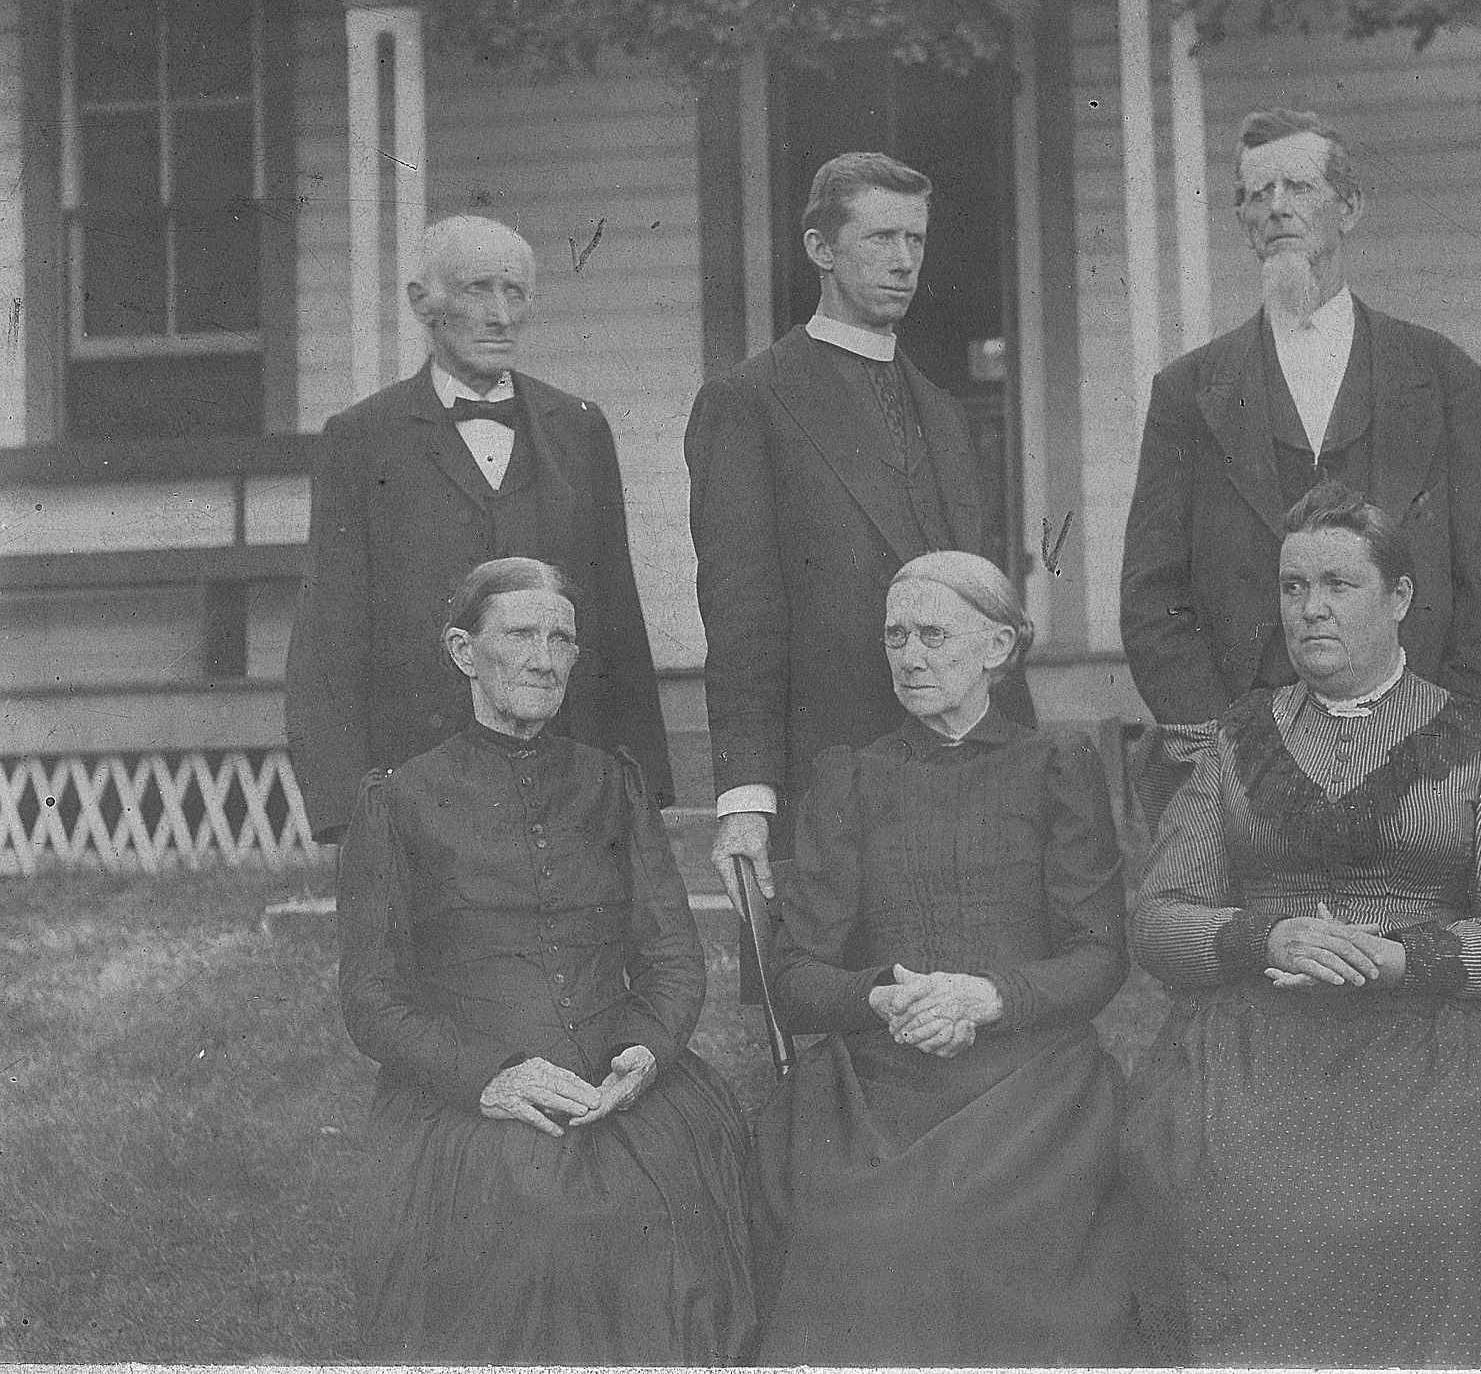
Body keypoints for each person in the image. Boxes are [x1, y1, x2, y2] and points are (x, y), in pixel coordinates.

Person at [1120, 482, 1481, 1367]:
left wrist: (1401, 957)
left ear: (1399, 598)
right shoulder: (1236, 743)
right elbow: (1159, 919)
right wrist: (1267, 937)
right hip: (1257, 1038)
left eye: (1339, 585)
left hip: (1444, 1038)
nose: (1311, 609)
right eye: (1293, 587)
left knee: (1428, 1209)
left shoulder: (1477, 743)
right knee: (1227, 1199)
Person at [337, 558, 755, 1364]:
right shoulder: (400, 800)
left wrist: (645, 1052)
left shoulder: (613, 784)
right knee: (537, 1222)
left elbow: (673, 958)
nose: (544, 659)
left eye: (561, 639)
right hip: (473, 1099)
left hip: (620, 1081)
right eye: (521, 635)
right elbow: (372, 998)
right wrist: (487, 1078)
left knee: (672, 1211)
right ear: (464, 652)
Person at [752, 551, 1136, 1366]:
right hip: (876, 1085)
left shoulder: (1054, 767)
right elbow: (793, 975)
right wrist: (880, 998)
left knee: (974, 1225)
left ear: (998, 648)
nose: (910, 657)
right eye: (895, 637)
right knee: (879, 1233)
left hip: (1031, 1079)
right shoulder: (851, 777)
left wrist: (988, 998)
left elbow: (1100, 955)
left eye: (933, 635)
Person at [686, 151, 1030, 911]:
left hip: (961, 771)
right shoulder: (749, 401)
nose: (904, 261)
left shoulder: (942, 411)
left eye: (915, 239)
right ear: (821, 249)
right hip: (829, 776)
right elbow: (740, 613)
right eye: (880, 238)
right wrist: (746, 797)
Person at [1121, 107, 1481, 738]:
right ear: (1244, 222)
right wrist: (1222, 745)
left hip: (1419, 740)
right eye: (1259, 195)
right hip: (1245, 745)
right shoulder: (1188, 393)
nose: (1278, 208)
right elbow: (1152, 596)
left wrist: (1454, 738)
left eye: (1299, 187)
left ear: (1350, 208)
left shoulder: (1442, 378)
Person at [286, 215, 671, 843]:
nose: (500, 315)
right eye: (477, 290)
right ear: (422, 302)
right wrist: (347, 811)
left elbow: (616, 615)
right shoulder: (363, 438)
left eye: (515, 292)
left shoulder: (579, 429)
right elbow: (331, 630)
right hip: (421, 781)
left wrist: (640, 786)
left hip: (569, 778)